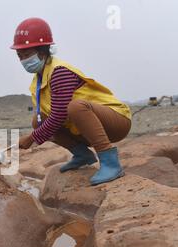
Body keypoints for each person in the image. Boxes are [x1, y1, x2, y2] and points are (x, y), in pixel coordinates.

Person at [12, 18, 131, 185]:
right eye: (19, 55)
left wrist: (31, 138)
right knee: (38, 120)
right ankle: (82, 154)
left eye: (26, 54)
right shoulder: (38, 79)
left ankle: (111, 163)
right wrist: (37, 130)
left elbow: (59, 114)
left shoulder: (59, 72)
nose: (23, 60)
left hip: (116, 121)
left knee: (76, 107)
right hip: (84, 128)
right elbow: (50, 117)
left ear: (42, 51)